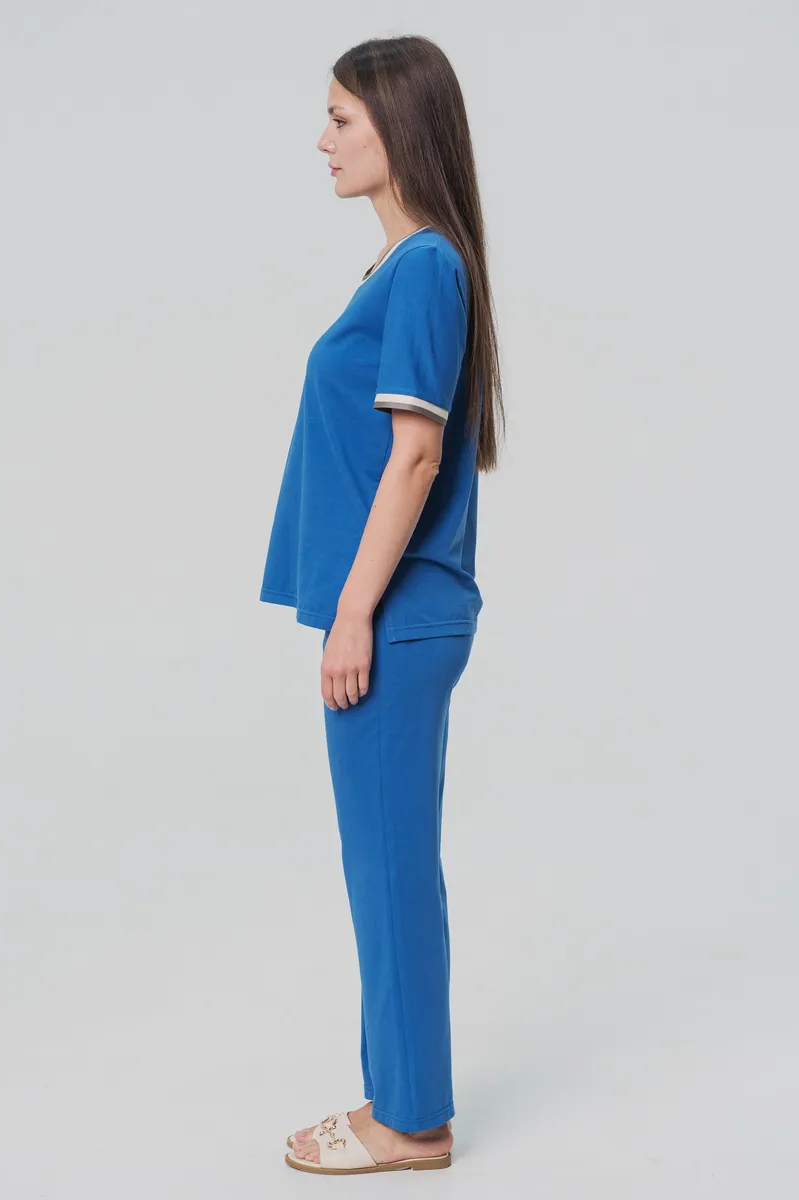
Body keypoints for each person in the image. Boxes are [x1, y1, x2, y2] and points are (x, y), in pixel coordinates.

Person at [259, 34, 505, 1176]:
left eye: (341, 118)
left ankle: (411, 1120)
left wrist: (354, 612)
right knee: (385, 864)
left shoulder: (425, 268)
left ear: (399, 127)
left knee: (392, 867)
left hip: (396, 618)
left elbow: (415, 455)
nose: (322, 140)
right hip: (394, 615)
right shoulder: (406, 266)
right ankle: (401, 1096)